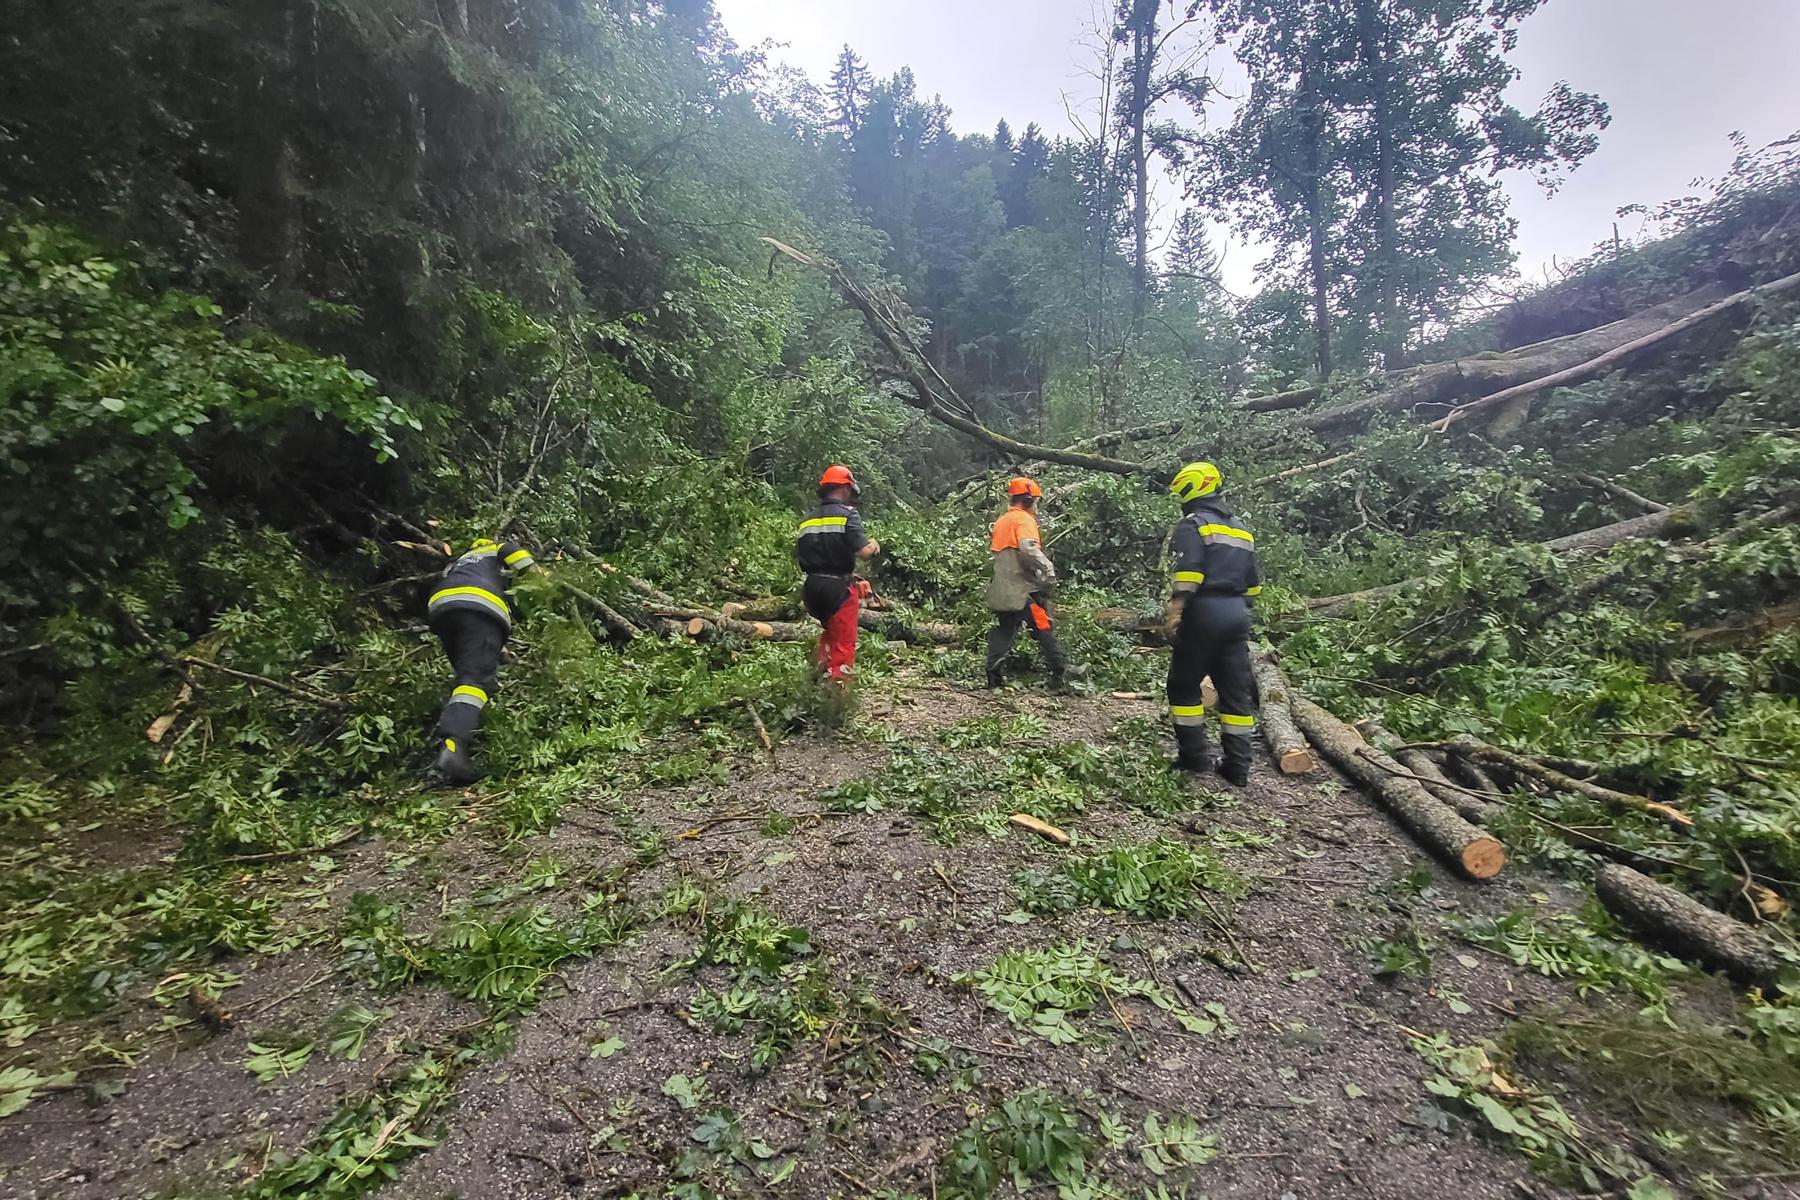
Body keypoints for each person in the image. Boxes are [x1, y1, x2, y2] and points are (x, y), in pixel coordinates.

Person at [1160, 461, 1261, 785]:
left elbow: (1189, 575)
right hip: (1236, 613)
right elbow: (1254, 586)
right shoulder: (1242, 529)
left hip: (1204, 610)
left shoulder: (1194, 525)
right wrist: (1237, 609)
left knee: (1183, 683)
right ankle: (1238, 767)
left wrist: (1175, 612)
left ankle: (1195, 758)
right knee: (1235, 691)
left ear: (1192, 490)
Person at [427, 536, 537, 785]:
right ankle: (454, 747)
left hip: (441, 607)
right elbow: (524, 563)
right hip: (480, 604)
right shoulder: (497, 548)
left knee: (466, 674)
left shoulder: (459, 563)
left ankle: (452, 737)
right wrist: (546, 581)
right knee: (474, 682)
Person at [796, 464, 879, 685]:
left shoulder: (808, 519)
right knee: (843, 643)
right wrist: (873, 545)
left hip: (812, 587)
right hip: (838, 587)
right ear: (845, 488)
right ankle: (837, 698)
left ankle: (819, 684)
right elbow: (863, 552)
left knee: (828, 636)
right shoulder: (847, 516)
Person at [985, 477, 1067, 690]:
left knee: (1005, 630)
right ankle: (1059, 674)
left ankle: (994, 677)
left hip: (1003, 589)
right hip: (1025, 590)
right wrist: (1048, 571)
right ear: (1029, 500)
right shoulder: (1024, 520)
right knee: (1043, 628)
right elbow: (1027, 548)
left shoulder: (1001, 521)